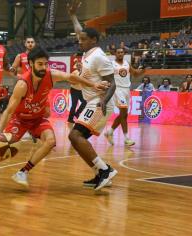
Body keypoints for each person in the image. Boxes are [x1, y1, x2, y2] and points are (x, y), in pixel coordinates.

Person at [0, 46, 109, 190]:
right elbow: (9, 111)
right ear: (30, 64)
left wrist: (94, 85)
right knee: (3, 152)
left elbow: (71, 77)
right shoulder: (22, 84)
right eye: (40, 64)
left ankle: (23, 172)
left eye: (46, 64)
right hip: (20, 119)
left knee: (51, 141)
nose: (44, 68)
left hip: (38, 119)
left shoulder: (50, 75)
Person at [66, 0, 118, 191]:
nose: (80, 42)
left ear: (93, 40)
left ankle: (105, 170)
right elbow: (81, 30)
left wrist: (103, 100)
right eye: (79, 40)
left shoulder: (98, 56)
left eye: (83, 40)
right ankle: (101, 173)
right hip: (92, 101)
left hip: (99, 102)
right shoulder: (88, 53)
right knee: (76, 138)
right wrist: (72, 16)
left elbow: (112, 82)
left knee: (75, 135)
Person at [104, 48, 144, 146]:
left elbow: (135, 74)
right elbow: (105, 76)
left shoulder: (127, 63)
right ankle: (126, 138)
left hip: (127, 89)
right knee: (123, 113)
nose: (120, 54)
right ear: (115, 54)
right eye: (118, 52)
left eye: (122, 52)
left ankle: (110, 132)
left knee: (124, 114)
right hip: (117, 89)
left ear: (124, 54)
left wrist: (144, 70)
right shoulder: (111, 64)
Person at [68, 56, 87, 124]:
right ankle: (70, 118)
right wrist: (75, 82)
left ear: (82, 65)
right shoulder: (74, 72)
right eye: (78, 65)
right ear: (76, 66)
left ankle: (77, 113)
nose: (79, 66)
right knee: (74, 105)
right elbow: (69, 81)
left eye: (80, 64)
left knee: (85, 102)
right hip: (74, 90)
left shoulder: (84, 72)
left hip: (81, 90)